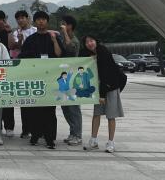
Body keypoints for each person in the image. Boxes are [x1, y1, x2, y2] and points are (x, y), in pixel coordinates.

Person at [19, 11, 64, 149]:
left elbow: (59, 54)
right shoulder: (31, 39)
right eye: (38, 20)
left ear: (47, 21)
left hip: (51, 79)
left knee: (50, 110)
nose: (41, 22)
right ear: (35, 22)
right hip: (36, 79)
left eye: (43, 19)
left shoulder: (54, 37)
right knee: (35, 109)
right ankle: (35, 135)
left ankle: (50, 138)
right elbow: (23, 57)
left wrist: (55, 40)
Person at [80, 35, 124, 153]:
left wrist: (103, 95)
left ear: (96, 41)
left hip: (111, 86)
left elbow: (106, 74)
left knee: (111, 115)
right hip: (99, 88)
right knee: (97, 114)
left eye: (91, 41)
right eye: (87, 42)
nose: (90, 43)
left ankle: (111, 143)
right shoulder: (89, 53)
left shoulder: (103, 51)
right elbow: (79, 59)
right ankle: (93, 141)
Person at [8, 10, 37, 138]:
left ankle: (38, 129)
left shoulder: (35, 30)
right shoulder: (16, 32)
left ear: (27, 18)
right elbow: (14, 47)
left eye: (22, 18)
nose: (20, 20)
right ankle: (26, 129)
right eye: (18, 18)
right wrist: (19, 41)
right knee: (24, 100)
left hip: (35, 68)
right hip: (21, 69)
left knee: (36, 101)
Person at [59, 15, 83, 146]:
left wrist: (64, 34)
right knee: (65, 107)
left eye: (64, 24)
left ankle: (77, 134)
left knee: (73, 107)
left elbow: (70, 48)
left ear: (70, 26)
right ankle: (72, 132)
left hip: (72, 77)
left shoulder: (74, 40)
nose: (62, 26)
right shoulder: (62, 38)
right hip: (63, 77)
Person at [0, 9, 15, 137]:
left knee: (7, 98)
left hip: (6, 71)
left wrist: (9, 31)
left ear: (3, 20)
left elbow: (12, 46)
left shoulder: (8, 33)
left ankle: (9, 126)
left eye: (0, 19)